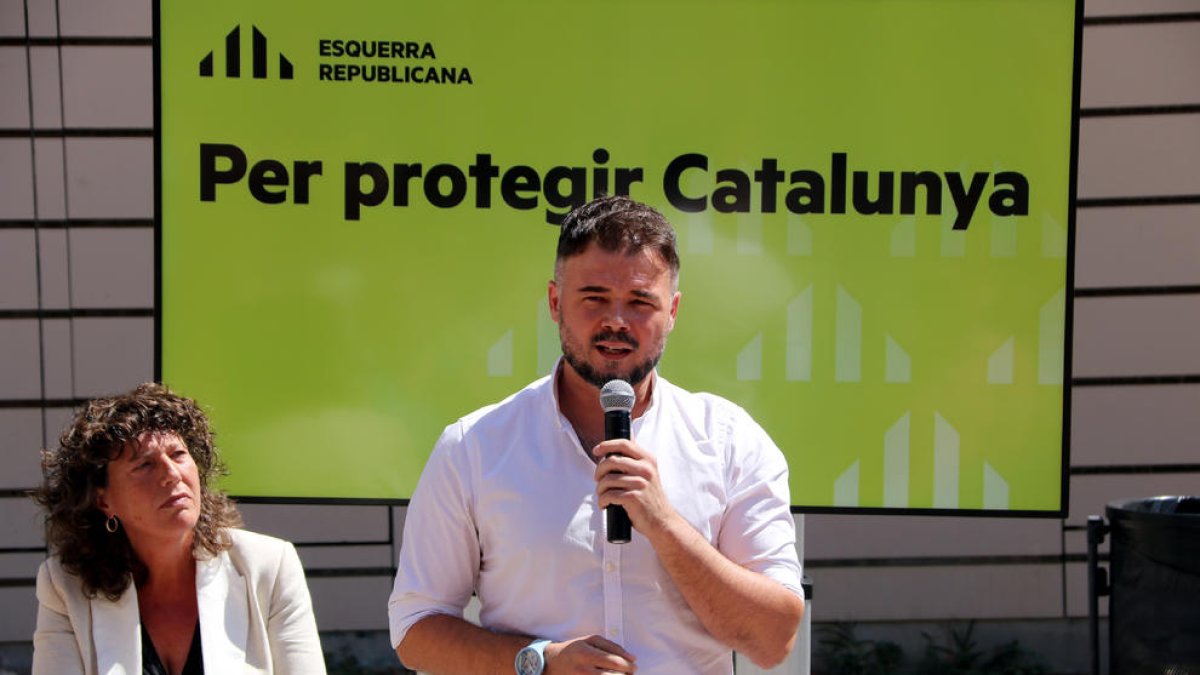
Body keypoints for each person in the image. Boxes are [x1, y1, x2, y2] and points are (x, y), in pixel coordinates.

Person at [388, 195, 804, 674]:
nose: (616, 322)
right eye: (595, 298)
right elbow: (415, 629)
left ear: (672, 311)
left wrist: (664, 524)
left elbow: (773, 641)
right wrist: (539, 661)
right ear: (554, 302)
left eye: (640, 302)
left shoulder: (731, 443)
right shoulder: (475, 447)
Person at [32, 382, 327, 675]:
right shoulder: (64, 585)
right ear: (102, 500)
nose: (172, 474)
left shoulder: (269, 566)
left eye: (178, 455)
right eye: (144, 465)